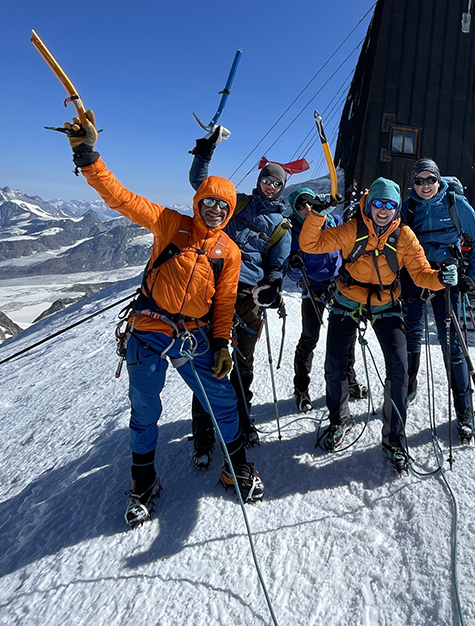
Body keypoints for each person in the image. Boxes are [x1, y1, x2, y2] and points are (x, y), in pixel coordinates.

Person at [61, 111, 264, 527]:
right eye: (207, 202)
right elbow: (122, 199)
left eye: (221, 205)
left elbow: (224, 302)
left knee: (223, 401)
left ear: (228, 210)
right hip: (150, 329)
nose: (212, 209)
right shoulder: (172, 224)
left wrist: (222, 341)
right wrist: (88, 157)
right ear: (197, 202)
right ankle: (143, 480)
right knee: (145, 409)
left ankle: (237, 466)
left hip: (194, 334)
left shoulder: (230, 250)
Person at [301, 177, 457, 472]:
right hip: (348, 299)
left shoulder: (405, 237)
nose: (383, 210)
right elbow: (310, 243)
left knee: (399, 367)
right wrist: (317, 215)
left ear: (397, 208)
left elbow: (422, 273)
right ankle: (339, 420)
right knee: (334, 364)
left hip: (386, 304)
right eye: (378, 203)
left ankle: (394, 438)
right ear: (369, 204)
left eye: (389, 205)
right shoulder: (352, 230)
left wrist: (440, 278)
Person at [188, 127, 292, 467]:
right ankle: (204, 431)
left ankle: (242, 420)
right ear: (260, 180)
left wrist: (273, 286)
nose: (271, 186)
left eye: (277, 183)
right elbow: (203, 187)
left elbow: (277, 267)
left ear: (282, 188)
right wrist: (204, 153)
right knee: (206, 363)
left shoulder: (281, 228)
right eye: (267, 180)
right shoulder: (237, 204)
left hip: (248, 298)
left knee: (242, 367)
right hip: (214, 292)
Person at [400, 159, 475, 442]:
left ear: (439, 181)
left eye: (430, 180)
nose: (425, 186)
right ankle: (409, 387)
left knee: (451, 343)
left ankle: (465, 409)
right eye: (419, 181)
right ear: (412, 183)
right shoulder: (407, 206)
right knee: (411, 336)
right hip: (414, 275)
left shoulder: (455, 203)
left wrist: (472, 276)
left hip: (447, 276)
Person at [286, 187, 366, 412]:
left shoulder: (332, 220)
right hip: (312, 287)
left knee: (346, 335)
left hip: (337, 283)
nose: (306, 208)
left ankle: (349, 381)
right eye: (300, 205)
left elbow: (346, 246)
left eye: (309, 202)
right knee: (310, 337)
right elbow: (291, 273)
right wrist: (293, 267)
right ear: (295, 209)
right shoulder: (292, 230)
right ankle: (301, 389)